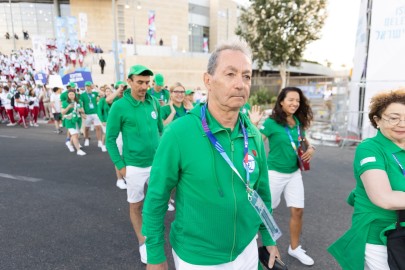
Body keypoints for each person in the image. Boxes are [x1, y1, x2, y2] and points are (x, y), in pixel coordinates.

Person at [142, 39, 280, 270]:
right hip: (198, 258)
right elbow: (157, 197)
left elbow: (262, 193)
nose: (240, 84)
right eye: (230, 74)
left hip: (246, 249)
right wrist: (155, 255)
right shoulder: (179, 133)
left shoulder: (253, 135)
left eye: (246, 76)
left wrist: (269, 238)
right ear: (208, 81)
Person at [328, 89, 405, 270]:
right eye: (393, 117)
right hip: (380, 235)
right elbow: (383, 198)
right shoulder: (369, 148)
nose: (401, 123)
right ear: (377, 120)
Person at [106, 65, 163, 264]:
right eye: (139, 82)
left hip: (156, 164)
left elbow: (161, 131)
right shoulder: (119, 106)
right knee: (136, 205)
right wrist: (121, 166)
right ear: (129, 81)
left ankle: (155, 235)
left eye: (147, 82)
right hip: (134, 166)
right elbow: (110, 139)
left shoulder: (154, 102)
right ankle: (143, 242)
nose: (144, 86)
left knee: (159, 201)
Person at [259, 86, 315, 266]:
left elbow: (303, 139)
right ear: (281, 101)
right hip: (274, 173)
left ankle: (294, 247)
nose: (295, 103)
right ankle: (253, 243)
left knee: (298, 210)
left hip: (294, 173)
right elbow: (256, 142)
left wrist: (312, 147)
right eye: (291, 100)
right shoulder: (270, 123)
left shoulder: (297, 120)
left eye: (298, 100)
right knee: (265, 211)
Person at [80, 81, 105, 151]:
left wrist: (95, 88)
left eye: (89, 86)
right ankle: (86, 139)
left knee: (98, 127)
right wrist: (82, 113)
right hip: (87, 113)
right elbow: (81, 103)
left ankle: (99, 141)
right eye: (86, 86)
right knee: (87, 128)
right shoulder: (83, 95)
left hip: (95, 113)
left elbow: (103, 94)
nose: (88, 87)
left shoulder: (95, 93)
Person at [62, 89, 86, 156]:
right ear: (67, 95)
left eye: (72, 94)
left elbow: (83, 111)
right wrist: (68, 107)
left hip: (77, 120)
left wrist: (80, 110)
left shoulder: (79, 101)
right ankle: (78, 150)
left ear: (75, 95)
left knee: (76, 135)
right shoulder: (65, 102)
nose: (71, 96)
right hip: (69, 120)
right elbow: (63, 112)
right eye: (70, 94)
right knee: (74, 134)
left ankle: (69, 144)